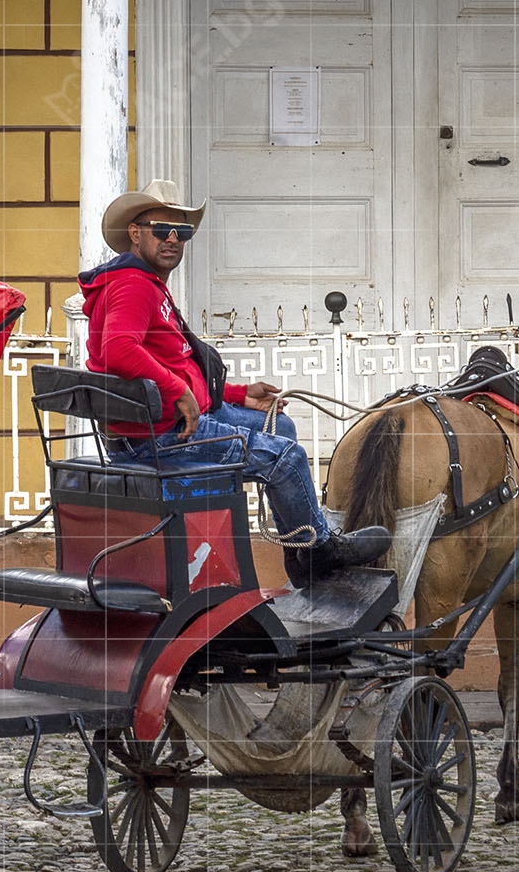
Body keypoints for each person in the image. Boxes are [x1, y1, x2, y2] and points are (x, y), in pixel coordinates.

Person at [77, 179, 390, 583]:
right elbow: (120, 350)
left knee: (281, 426)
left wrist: (238, 394)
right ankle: (319, 550)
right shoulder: (133, 286)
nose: (173, 239)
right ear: (135, 233)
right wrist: (179, 392)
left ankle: (299, 549)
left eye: (182, 231)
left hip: (164, 422)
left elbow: (177, 364)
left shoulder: (147, 284)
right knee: (287, 457)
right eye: (161, 229)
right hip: (159, 438)